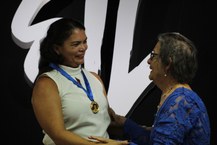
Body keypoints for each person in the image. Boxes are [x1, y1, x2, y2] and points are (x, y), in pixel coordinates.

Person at [91, 32, 211, 145]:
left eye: (153, 55)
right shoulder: (178, 96)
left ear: (168, 63)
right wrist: (123, 123)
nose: (148, 61)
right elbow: (156, 137)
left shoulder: (180, 101)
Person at [31, 18, 129, 145]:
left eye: (85, 42)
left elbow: (106, 121)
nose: (83, 48)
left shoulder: (95, 78)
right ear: (57, 48)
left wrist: (147, 130)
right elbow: (58, 135)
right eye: (76, 44)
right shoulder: (47, 84)